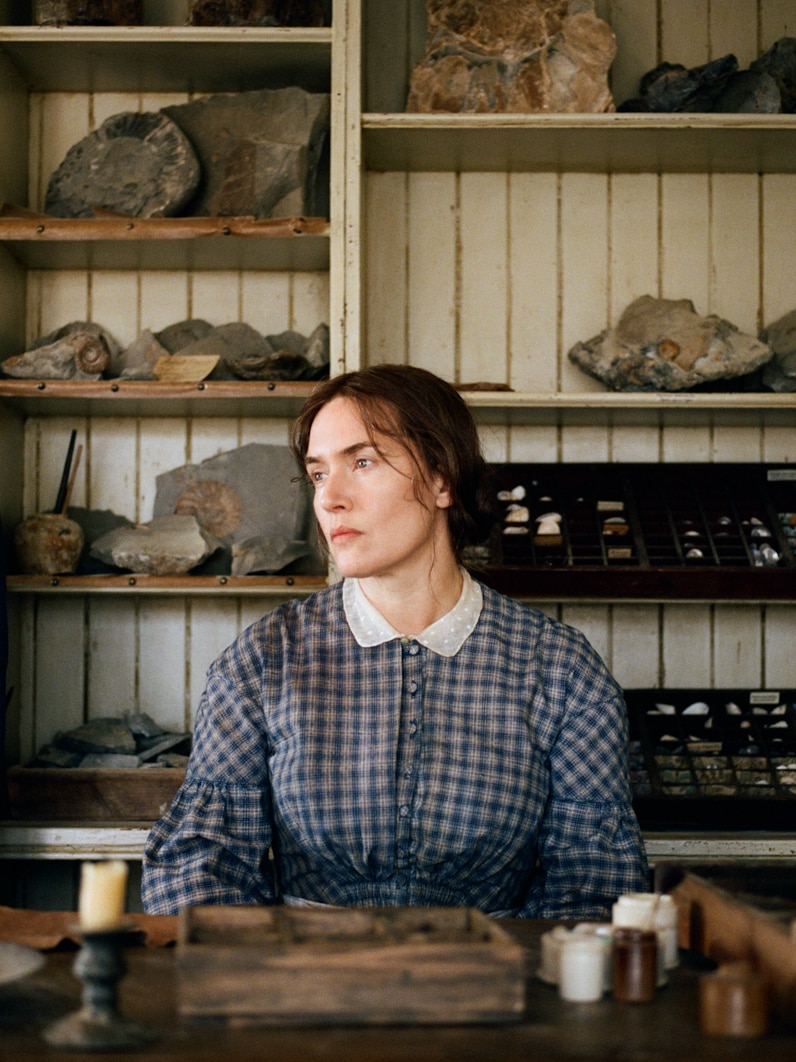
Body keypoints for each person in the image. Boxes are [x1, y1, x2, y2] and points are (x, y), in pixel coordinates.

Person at [142, 363, 648, 917]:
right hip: (306, 989)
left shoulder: (561, 671)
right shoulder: (264, 662)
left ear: (440, 480)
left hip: (494, 989)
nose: (330, 498)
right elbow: (198, 869)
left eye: (362, 463)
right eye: (317, 474)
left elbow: (594, 888)